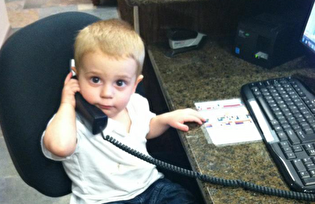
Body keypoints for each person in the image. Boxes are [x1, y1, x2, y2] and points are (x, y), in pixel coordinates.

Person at [41, 19, 205, 204]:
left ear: (135, 84)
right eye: (95, 79)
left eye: (120, 83)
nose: (106, 94)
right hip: (104, 200)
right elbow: (60, 147)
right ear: (76, 76)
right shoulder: (71, 121)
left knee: (184, 199)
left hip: (151, 187)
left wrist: (167, 119)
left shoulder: (136, 103)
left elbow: (147, 129)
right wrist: (67, 104)